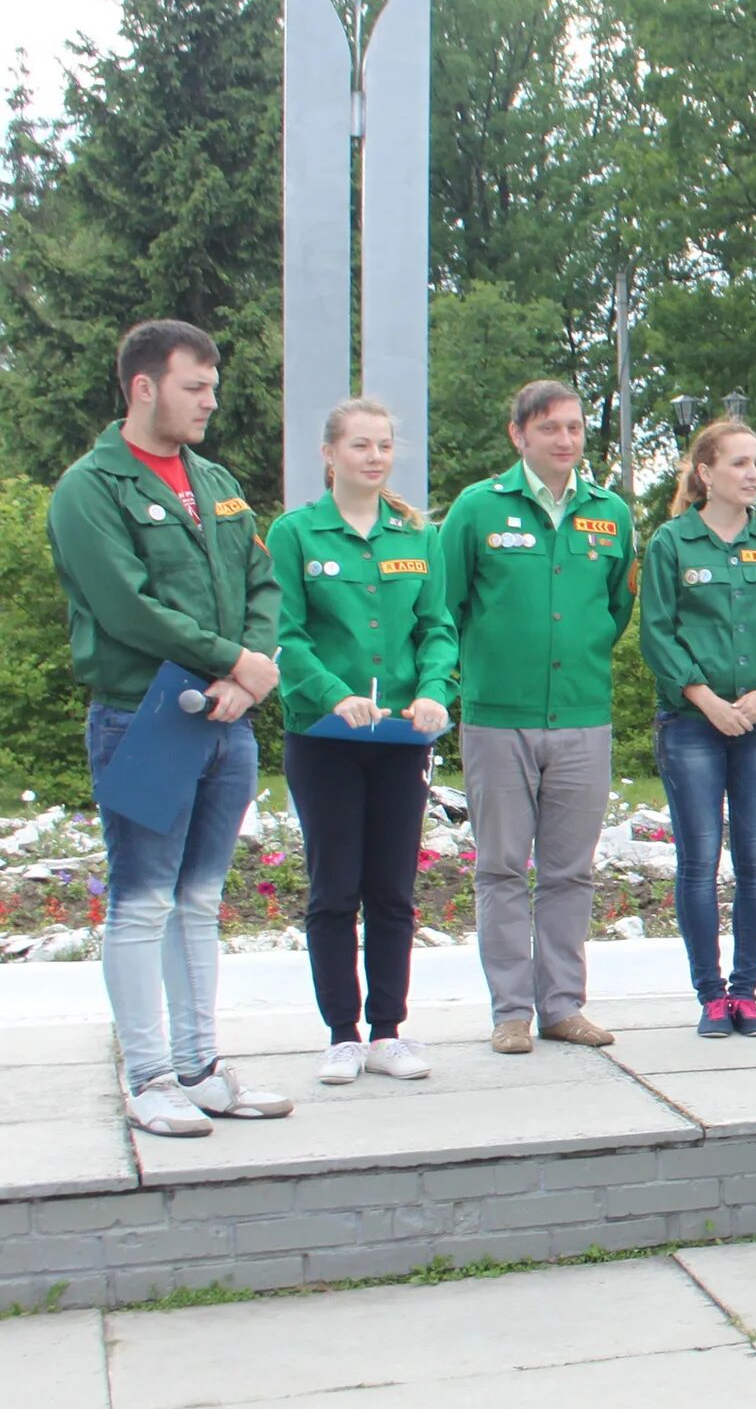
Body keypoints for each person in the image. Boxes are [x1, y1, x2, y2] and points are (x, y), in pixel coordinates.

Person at [47, 320, 292, 1135]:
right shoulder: (92, 487)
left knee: (198, 899)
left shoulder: (215, 480)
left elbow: (262, 579)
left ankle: (200, 1067)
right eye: (195, 387)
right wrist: (234, 660)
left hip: (227, 718)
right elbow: (124, 607)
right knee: (142, 899)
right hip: (146, 717)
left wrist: (248, 664)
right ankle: (149, 1076)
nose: (210, 402)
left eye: (214, 387)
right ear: (144, 386)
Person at [435, 380, 636, 1054]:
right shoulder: (476, 508)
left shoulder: (610, 513)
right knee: (499, 867)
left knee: (569, 872)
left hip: (582, 715)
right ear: (519, 434)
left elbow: (614, 611)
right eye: (550, 428)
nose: (565, 440)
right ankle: (511, 1011)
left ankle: (562, 1006)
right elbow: (446, 604)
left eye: (575, 428)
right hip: (498, 719)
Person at [270, 397, 455, 1084]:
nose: (374, 457)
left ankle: (388, 1029)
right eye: (360, 446)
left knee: (392, 888)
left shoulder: (416, 536)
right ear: (329, 455)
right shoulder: (295, 535)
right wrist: (331, 693)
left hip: (400, 739)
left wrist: (435, 689)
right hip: (325, 738)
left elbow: (436, 628)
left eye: (383, 445)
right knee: (334, 886)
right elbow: (284, 634)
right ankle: (342, 1032)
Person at [638, 420, 756, 1038]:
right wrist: (707, 699)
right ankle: (710, 995)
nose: (753, 474)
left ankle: (746, 993)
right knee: (697, 862)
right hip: (692, 724)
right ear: (705, 473)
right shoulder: (672, 543)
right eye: (740, 463)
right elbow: (656, 633)